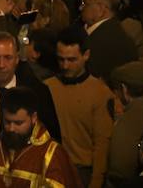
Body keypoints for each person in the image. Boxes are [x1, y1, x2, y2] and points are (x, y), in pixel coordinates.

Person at [0, 31, 61, 152]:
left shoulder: (37, 91)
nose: (1, 65)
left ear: (17, 59)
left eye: (8, 57)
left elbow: (52, 139)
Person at [44, 27, 113, 188]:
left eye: (71, 60)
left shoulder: (100, 93)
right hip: (50, 169)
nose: (65, 65)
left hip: (82, 173)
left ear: (86, 55)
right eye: (61, 59)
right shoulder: (47, 87)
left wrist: (95, 182)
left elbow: (102, 144)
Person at [0, 87, 82, 188]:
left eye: (18, 123)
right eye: (7, 122)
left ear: (33, 118)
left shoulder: (51, 154)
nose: (11, 128)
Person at [79, 0, 139, 81]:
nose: (80, 7)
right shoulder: (120, 34)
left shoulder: (97, 43)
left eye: (84, 3)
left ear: (100, 10)